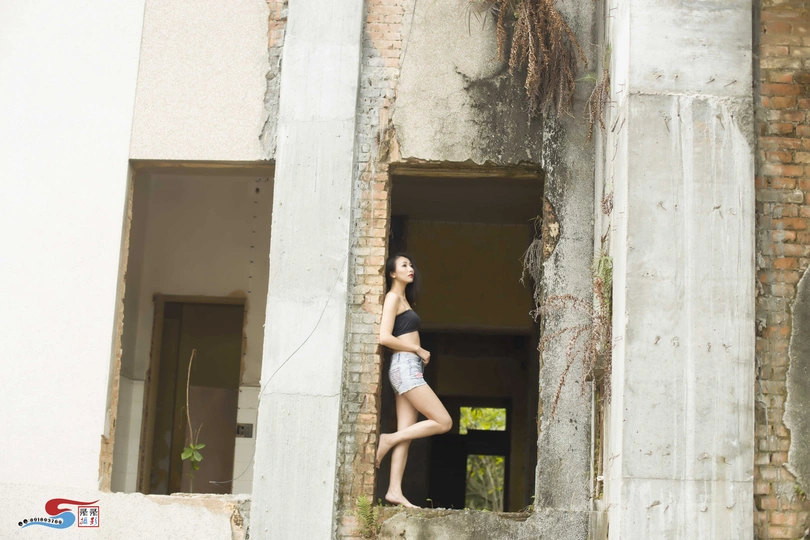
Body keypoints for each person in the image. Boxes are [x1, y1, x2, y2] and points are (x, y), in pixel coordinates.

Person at [376, 252, 452, 508]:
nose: (411, 268)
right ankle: (387, 439)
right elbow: (385, 337)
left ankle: (394, 491)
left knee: (405, 434)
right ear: (392, 273)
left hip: (408, 368)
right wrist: (417, 349)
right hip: (405, 366)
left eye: (411, 265)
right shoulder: (392, 297)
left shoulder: (404, 299)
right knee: (444, 422)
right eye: (404, 265)